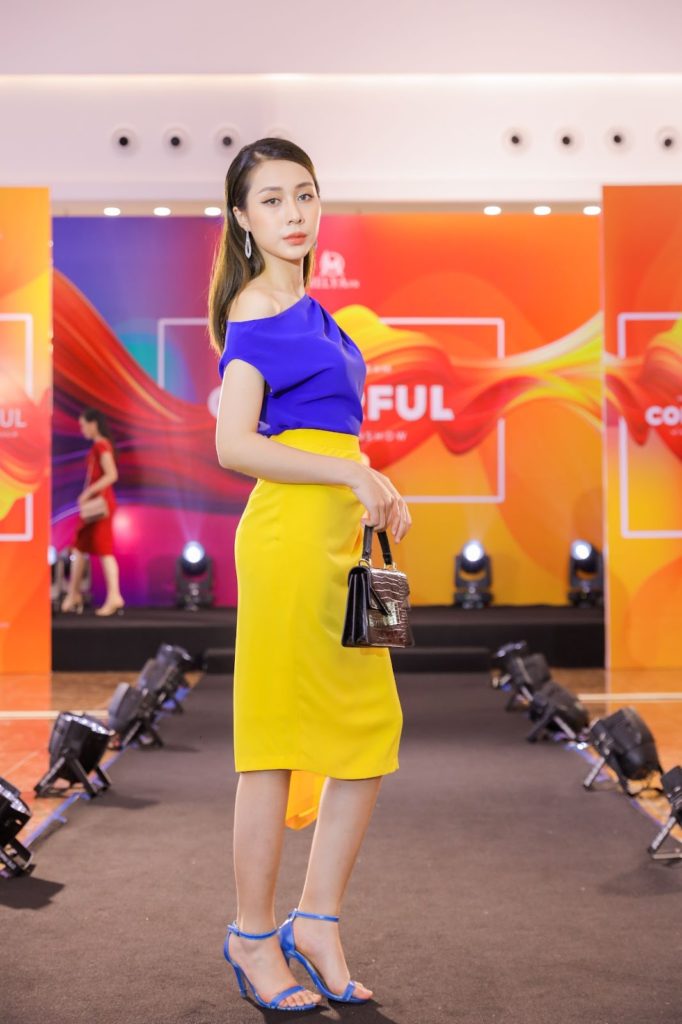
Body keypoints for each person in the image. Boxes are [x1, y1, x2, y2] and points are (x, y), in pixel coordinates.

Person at [209, 137, 412, 1013]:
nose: (294, 213)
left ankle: (317, 920)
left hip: (341, 540)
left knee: (370, 727)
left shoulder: (315, 310)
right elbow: (235, 444)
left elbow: (326, 433)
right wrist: (346, 473)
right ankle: (253, 936)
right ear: (242, 219)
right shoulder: (256, 308)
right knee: (277, 742)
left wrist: (372, 482)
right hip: (290, 542)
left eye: (305, 194)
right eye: (272, 200)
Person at [60, 407, 125, 617]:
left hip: (100, 506)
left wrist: (88, 492)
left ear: (93, 424)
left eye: (83, 425)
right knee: (80, 547)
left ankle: (114, 596)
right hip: (97, 504)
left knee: (104, 551)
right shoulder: (100, 445)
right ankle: (73, 594)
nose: (82, 430)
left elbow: (111, 475)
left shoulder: (101, 445)